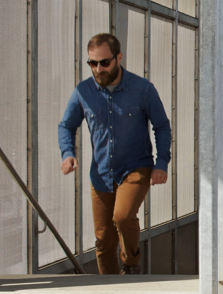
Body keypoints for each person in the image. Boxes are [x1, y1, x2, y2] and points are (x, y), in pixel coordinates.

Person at [58, 33, 172, 275]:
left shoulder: (142, 89)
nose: (98, 69)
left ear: (119, 57)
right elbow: (66, 125)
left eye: (104, 62)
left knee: (122, 216)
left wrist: (162, 163)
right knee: (103, 239)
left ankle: (131, 266)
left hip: (136, 168)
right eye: (92, 63)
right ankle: (108, 286)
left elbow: (161, 126)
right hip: (100, 174)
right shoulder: (83, 92)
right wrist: (67, 153)